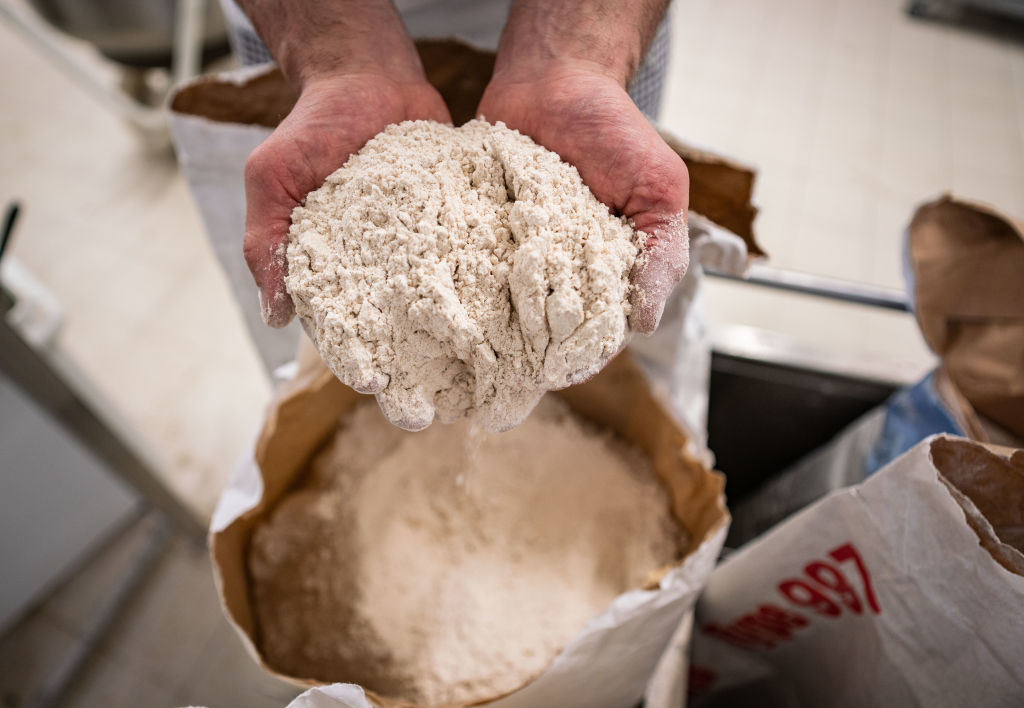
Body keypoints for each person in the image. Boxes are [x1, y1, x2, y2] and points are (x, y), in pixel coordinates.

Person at [234, 0, 690, 338]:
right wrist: (337, 59)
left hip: (598, 17)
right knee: (317, 324)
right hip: (307, 18)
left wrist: (580, 59)